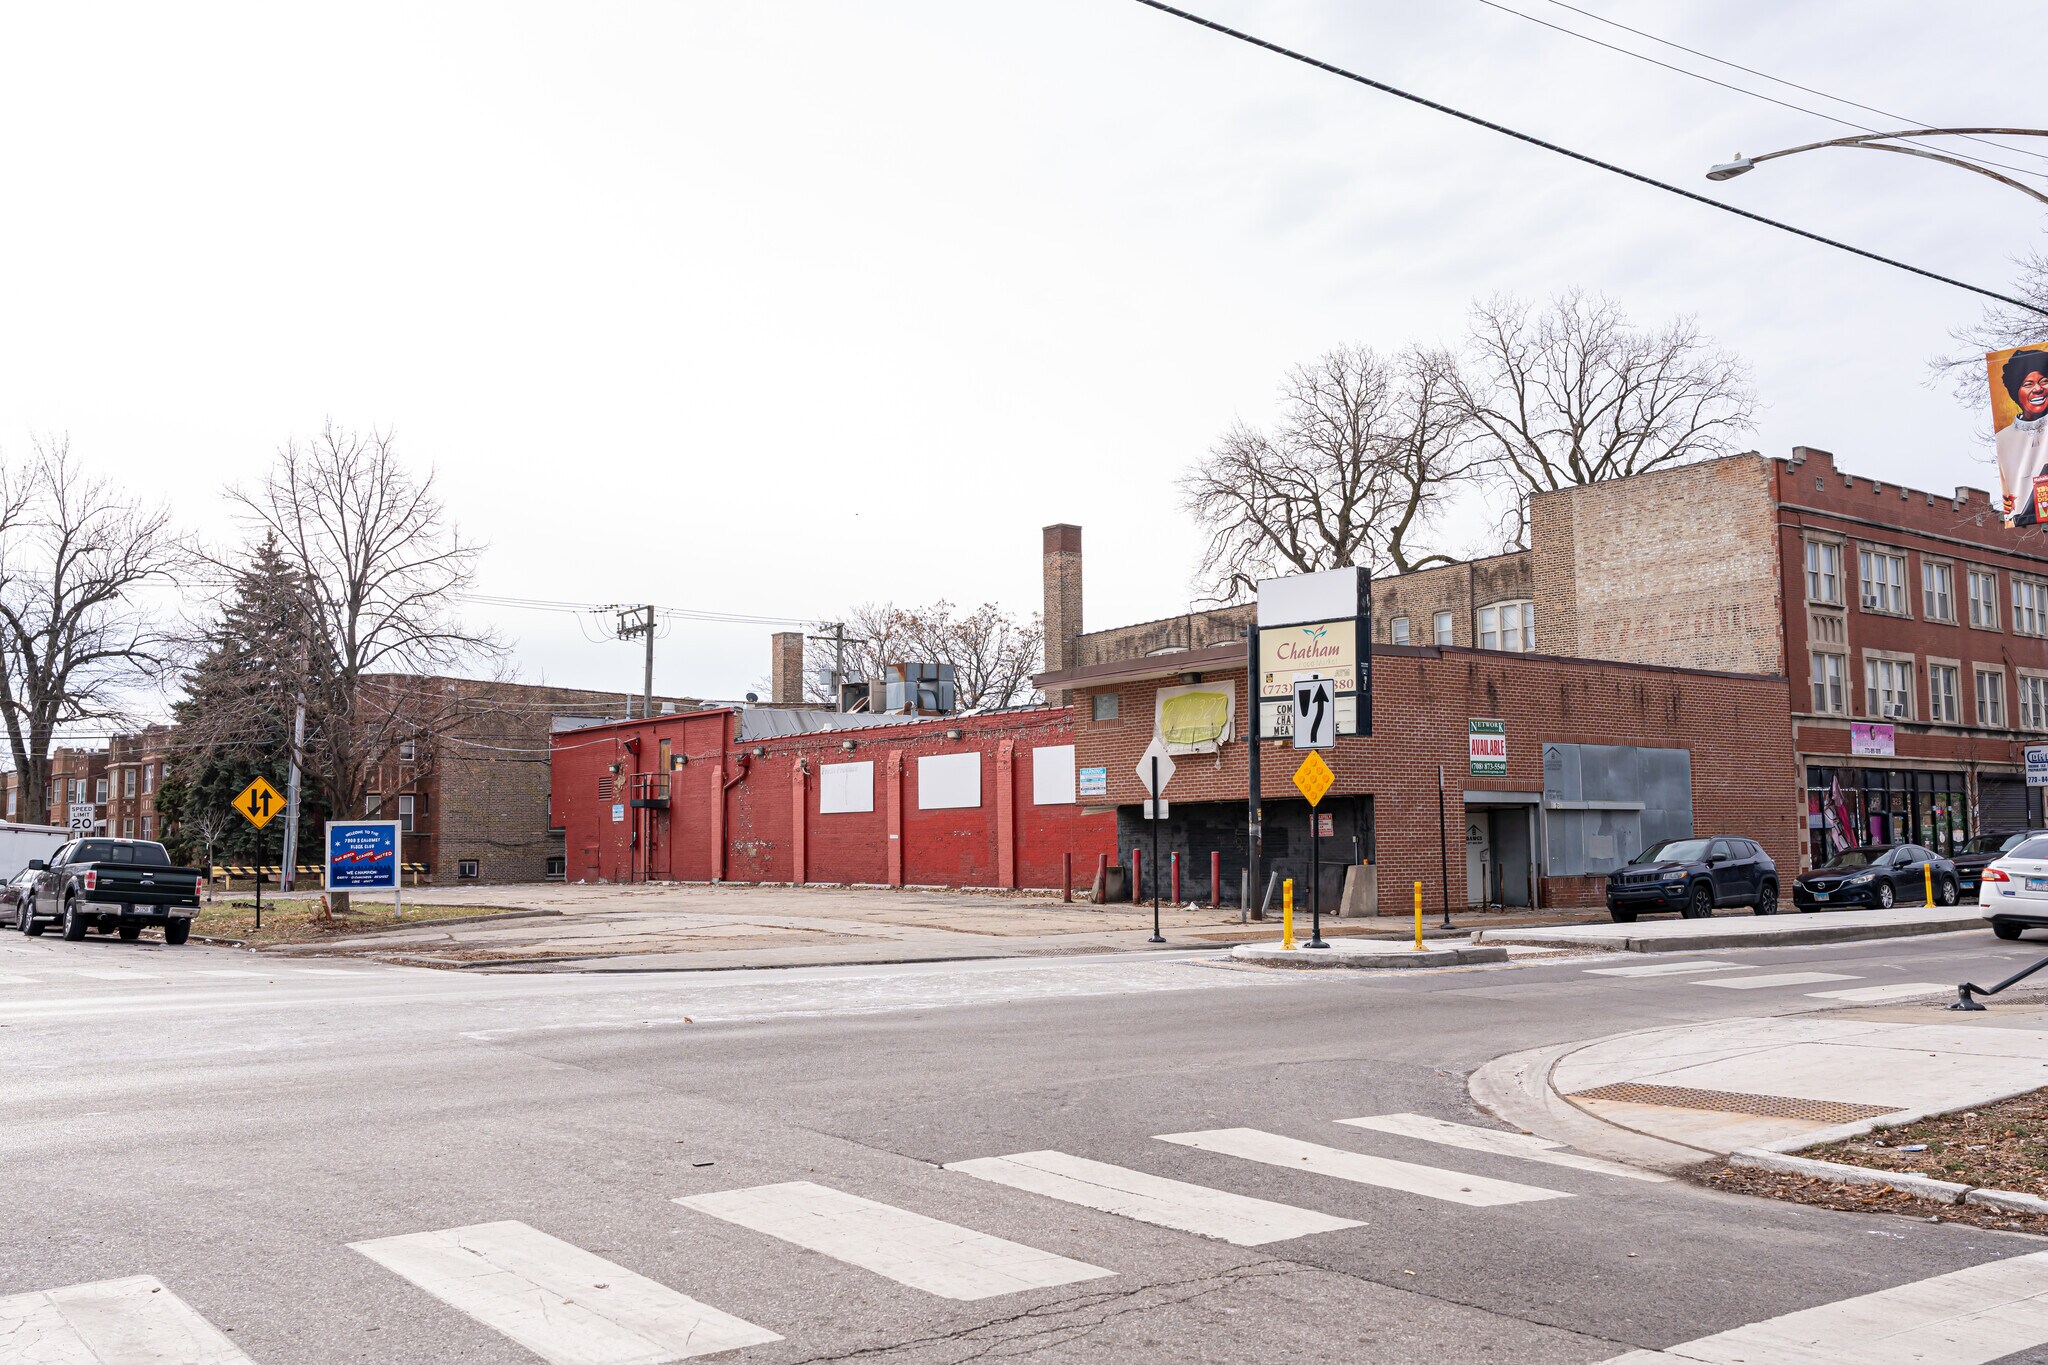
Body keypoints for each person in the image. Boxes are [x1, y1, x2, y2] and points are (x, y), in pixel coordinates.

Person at [1995, 347, 2048, 526]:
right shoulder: (2003, 439)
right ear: (2015, 392)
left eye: (2044, 381)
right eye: (2028, 384)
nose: (2038, 389)